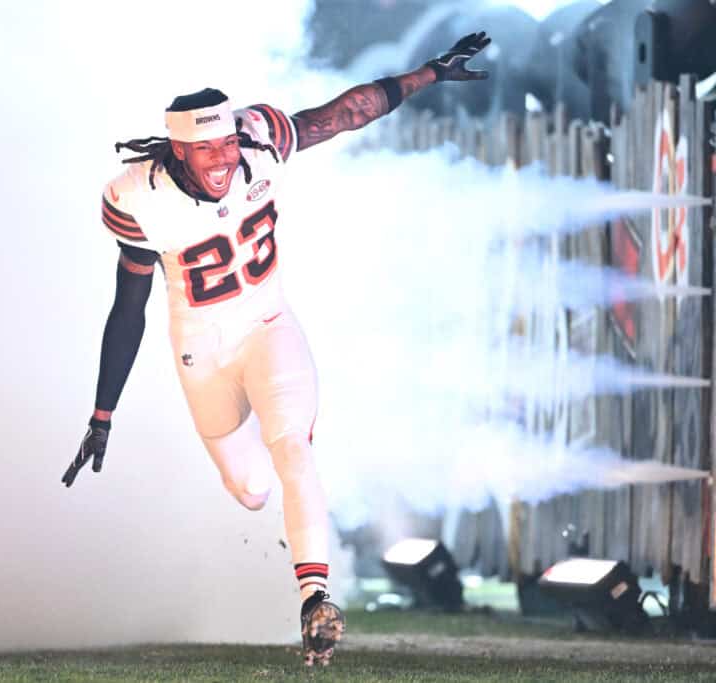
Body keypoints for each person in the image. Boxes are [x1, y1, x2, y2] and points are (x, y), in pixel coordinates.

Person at [63, 32, 491, 666]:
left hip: (268, 324)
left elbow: (346, 114)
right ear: (178, 149)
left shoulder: (260, 139)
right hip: (201, 348)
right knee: (251, 488)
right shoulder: (137, 197)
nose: (222, 158)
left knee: (293, 447)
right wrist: (103, 414)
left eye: (226, 142)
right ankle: (280, 518)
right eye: (205, 148)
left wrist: (427, 74)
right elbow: (129, 309)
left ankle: (315, 597)